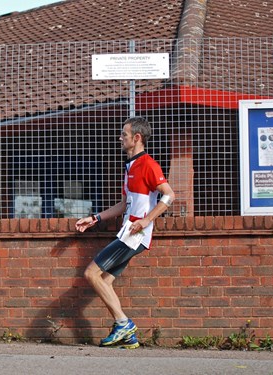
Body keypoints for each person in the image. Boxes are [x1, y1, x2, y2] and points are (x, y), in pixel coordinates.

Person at [75, 116, 175, 349]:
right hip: (128, 232)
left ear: (136, 138)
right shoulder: (130, 165)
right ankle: (128, 335)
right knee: (105, 280)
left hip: (134, 235)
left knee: (91, 274)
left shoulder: (148, 164)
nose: (120, 138)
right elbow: (124, 204)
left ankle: (123, 323)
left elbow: (169, 195)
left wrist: (145, 220)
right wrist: (95, 219)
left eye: (124, 135)